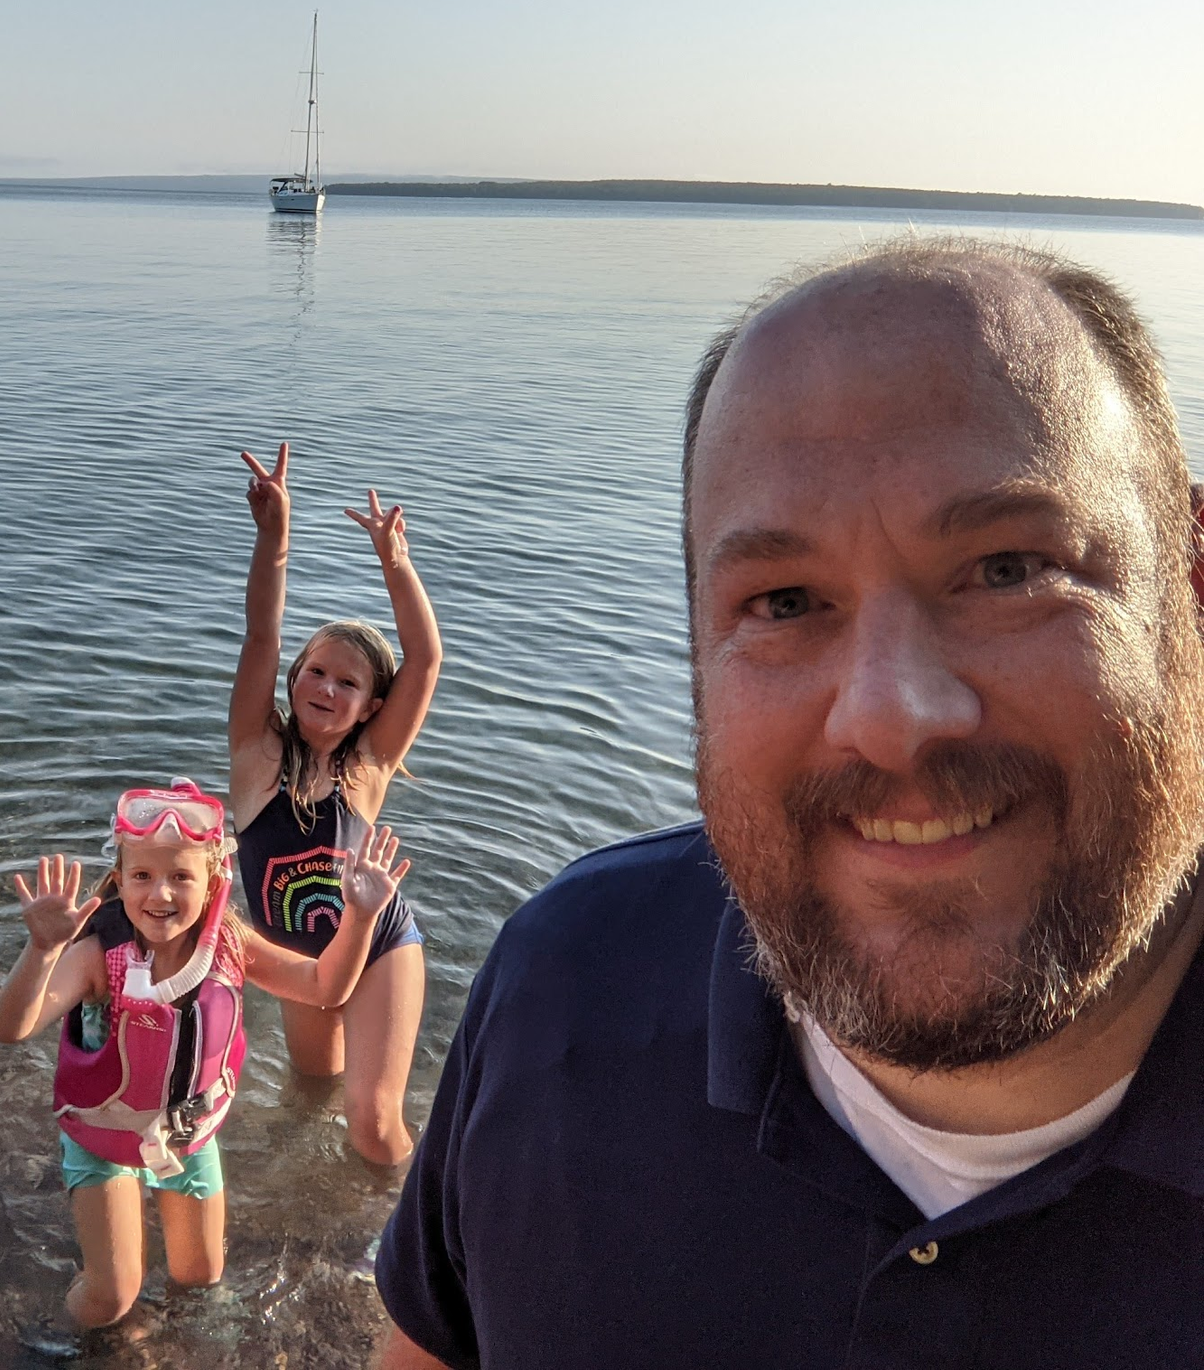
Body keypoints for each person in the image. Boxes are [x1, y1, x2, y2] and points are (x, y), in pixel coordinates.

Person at [377, 238, 1204, 1368]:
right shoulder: (560, 988)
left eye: (1009, 569)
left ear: (1189, 588)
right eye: (783, 601)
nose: (890, 718)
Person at [0, 780, 410, 1328]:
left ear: (213, 882)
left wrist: (360, 917)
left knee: (200, 1277)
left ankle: (174, 1342)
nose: (160, 894)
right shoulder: (97, 957)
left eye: (181, 877)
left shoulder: (230, 943)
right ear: (119, 879)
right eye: (142, 876)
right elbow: (11, 1028)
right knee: (111, 1299)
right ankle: (63, 1340)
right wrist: (42, 949)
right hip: (105, 1137)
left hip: (185, 1138)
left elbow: (323, 988)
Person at [231, 443, 443, 1165]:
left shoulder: (368, 766)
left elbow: (426, 660)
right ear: (293, 679)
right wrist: (274, 537)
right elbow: (261, 633)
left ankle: (413, 1217)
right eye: (316, 672)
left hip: (376, 941)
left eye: (348, 683)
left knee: (372, 1121)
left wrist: (396, 562)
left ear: (372, 706)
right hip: (300, 960)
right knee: (310, 1090)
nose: (327, 687)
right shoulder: (256, 757)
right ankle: (323, 1206)